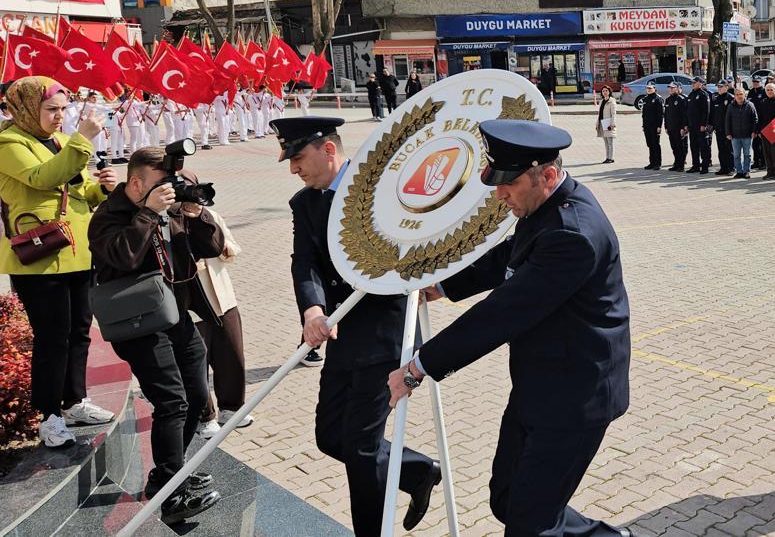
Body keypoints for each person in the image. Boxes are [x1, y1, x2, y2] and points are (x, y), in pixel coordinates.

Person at [387, 119, 631, 537]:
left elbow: (501, 314)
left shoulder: (574, 235)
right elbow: (511, 255)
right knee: (506, 499)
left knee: (527, 522)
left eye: (508, 185)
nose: (499, 195)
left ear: (547, 175)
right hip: (540, 384)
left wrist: (419, 367)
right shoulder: (547, 204)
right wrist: (443, 285)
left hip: (576, 397)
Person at [272, 116, 441, 534]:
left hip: (387, 332)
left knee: (362, 449)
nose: (294, 169)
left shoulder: (380, 192)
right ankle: (418, 472)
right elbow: (305, 262)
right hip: (342, 330)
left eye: (298, 158)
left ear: (328, 150)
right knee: (331, 437)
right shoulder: (305, 204)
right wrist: (312, 309)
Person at [88, 146, 224, 524]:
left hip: (174, 314)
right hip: (138, 324)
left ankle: (171, 472)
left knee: (197, 397)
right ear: (135, 183)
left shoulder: (169, 210)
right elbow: (124, 257)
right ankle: (170, 496)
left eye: (171, 184)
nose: (170, 191)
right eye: (162, 185)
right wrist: (149, 213)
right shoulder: (107, 217)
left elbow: (208, 249)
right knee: (172, 403)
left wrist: (196, 216)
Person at [0, 77, 118, 449]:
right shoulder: (8, 143)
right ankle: (48, 416)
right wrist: (83, 139)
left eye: (63, 109)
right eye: (51, 109)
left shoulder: (65, 142)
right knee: (52, 337)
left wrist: (104, 187)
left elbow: (80, 189)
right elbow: (42, 178)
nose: (59, 117)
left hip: (77, 250)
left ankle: (74, 401)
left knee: (80, 330)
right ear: (24, 109)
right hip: (39, 257)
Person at [193, 204, 253, 439]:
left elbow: (232, 248)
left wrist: (220, 247)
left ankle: (232, 408)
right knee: (197, 362)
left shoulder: (209, 215)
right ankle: (204, 416)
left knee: (232, 354)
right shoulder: (167, 221)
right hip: (191, 306)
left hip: (222, 298)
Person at [725, 85, 758, 179]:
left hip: (747, 135)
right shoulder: (731, 106)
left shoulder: (750, 105)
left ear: (744, 95)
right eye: (737, 94)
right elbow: (727, 120)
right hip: (735, 135)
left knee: (747, 154)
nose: (739, 96)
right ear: (734, 96)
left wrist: (754, 131)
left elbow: (755, 119)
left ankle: (746, 171)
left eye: (741, 94)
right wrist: (728, 133)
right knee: (736, 155)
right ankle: (739, 171)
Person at [757, 83, 775, 180]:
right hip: (765, 131)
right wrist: (759, 130)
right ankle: (770, 172)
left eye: (771, 90)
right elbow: (759, 117)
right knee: (767, 152)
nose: (769, 92)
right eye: (768, 90)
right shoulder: (763, 102)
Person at [684, 77, 712, 174]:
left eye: (694, 83)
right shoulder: (691, 95)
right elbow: (687, 111)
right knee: (694, 146)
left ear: (700, 83)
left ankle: (705, 167)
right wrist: (686, 124)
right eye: (692, 83)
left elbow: (706, 111)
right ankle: (695, 166)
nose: (692, 84)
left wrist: (704, 124)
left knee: (704, 147)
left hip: (700, 126)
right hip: (692, 126)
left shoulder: (704, 95)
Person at [710, 81, 735, 175]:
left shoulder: (731, 98)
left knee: (729, 149)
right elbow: (714, 114)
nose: (719, 88)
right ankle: (723, 168)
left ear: (726, 87)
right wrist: (713, 125)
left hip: (728, 129)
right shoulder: (716, 98)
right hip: (719, 129)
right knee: (721, 149)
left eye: (721, 87)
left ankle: (731, 168)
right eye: (718, 87)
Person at [664, 82, 689, 172]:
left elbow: (684, 115)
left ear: (677, 88)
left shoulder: (681, 99)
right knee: (674, 147)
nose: (670, 89)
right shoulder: (668, 100)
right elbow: (666, 115)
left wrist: (683, 127)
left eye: (673, 88)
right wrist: (666, 126)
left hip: (679, 128)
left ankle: (681, 165)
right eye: (669, 88)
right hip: (671, 127)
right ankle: (676, 163)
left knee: (680, 147)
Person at [640, 84, 664, 170]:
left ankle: (657, 163)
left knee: (655, 144)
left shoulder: (657, 99)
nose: (649, 90)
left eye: (650, 88)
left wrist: (659, 126)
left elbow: (660, 114)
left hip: (655, 126)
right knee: (650, 144)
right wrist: (643, 125)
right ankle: (652, 162)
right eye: (647, 88)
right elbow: (644, 114)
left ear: (654, 89)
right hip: (647, 125)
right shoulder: (646, 99)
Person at [596, 86, 616, 164]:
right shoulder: (601, 101)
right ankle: (607, 157)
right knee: (606, 142)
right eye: (603, 91)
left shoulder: (612, 101)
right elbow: (599, 114)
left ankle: (611, 158)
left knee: (610, 142)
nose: (604, 92)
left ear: (609, 92)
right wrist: (597, 123)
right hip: (602, 122)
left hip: (608, 123)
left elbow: (614, 114)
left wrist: (612, 123)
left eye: (606, 91)